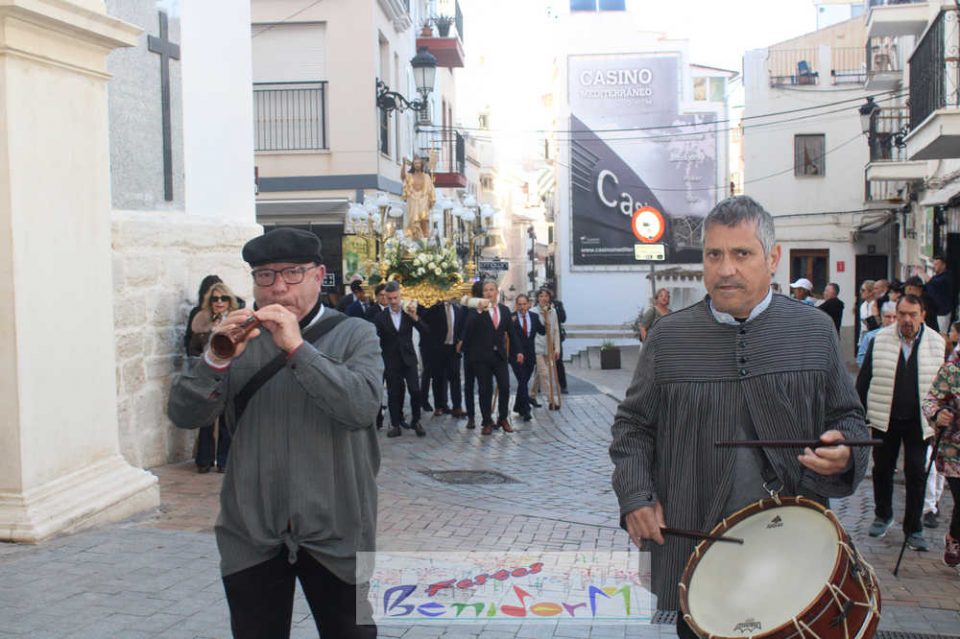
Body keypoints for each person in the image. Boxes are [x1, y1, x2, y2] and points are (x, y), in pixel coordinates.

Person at [610, 196, 867, 637]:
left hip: (794, 557)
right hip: (697, 554)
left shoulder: (814, 331)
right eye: (714, 254)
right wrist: (636, 497)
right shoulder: (669, 338)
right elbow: (632, 428)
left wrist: (844, 452)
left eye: (742, 253)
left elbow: (849, 419)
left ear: (773, 258)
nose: (725, 268)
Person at [167, 227, 382, 639]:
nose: (278, 287)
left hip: (337, 531)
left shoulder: (357, 334)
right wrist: (215, 359)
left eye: (292, 273)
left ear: (318, 276)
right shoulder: (238, 337)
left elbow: (361, 407)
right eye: (265, 275)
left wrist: (298, 348)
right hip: (252, 532)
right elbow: (183, 414)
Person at [856, 294, 944, 552]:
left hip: (920, 420)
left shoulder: (937, 343)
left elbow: (943, 385)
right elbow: (864, 379)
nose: (906, 319)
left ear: (922, 315)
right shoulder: (880, 339)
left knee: (916, 472)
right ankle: (883, 515)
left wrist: (941, 414)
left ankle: (914, 528)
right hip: (885, 417)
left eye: (912, 314)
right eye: (902, 314)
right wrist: (858, 414)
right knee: (882, 469)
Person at [186, 281, 240, 473]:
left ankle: (224, 461)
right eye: (215, 299)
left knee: (226, 420)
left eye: (223, 298)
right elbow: (192, 348)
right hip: (208, 374)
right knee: (206, 419)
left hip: (229, 373)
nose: (219, 302)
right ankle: (204, 460)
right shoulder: (202, 320)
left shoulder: (237, 321)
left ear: (229, 301)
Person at [461, 280, 522, 435]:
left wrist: (519, 351)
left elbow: (512, 333)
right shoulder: (476, 311)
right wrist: (478, 311)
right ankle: (487, 421)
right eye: (486, 290)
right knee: (484, 390)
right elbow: (468, 329)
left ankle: (503, 418)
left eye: (491, 289)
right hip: (482, 357)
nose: (489, 293)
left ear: (497, 292)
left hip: (499, 356)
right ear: (482, 293)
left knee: (505, 387)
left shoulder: (504, 310)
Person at [921, 337, 960, 568]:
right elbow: (930, 401)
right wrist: (938, 414)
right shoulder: (951, 370)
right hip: (954, 451)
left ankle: (955, 535)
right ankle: (955, 538)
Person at [374, 281, 428, 438]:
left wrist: (415, 317)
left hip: (409, 359)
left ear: (400, 296)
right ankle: (396, 424)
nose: (392, 301)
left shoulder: (408, 312)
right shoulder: (380, 317)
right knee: (393, 393)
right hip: (391, 360)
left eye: (395, 298)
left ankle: (416, 421)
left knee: (415, 391)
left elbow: (425, 330)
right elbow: (376, 338)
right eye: (389, 298)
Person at [422, 296, 467, 418]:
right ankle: (439, 406)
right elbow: (425, 322)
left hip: (453, 349)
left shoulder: (458, 309)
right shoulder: (435, 308)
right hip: (438, 349)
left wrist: (460, 340)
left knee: (455, 378)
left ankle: (457, 407)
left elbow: (462, 327)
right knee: (438, 378)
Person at [510, 294, 543, 422]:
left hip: (530, 355)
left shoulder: (534, 317)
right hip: (516, 355)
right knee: (522, 380)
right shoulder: (512, 317)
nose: (522, 307)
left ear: (528, 304)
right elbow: (508, 335)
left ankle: (518, 406)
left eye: (524, 304)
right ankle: (526, 410)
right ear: (516, 305)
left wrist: (546, 322)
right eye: (520, 304)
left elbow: (542, 331)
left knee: (523, 382)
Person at [458, 281, 485, 430]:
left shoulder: (483, 306)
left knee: (478, 386)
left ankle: (476, 417)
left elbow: (459, 325)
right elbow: (461, 325)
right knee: (475, 385)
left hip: (475, 350)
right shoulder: (469, 307)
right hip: (473, 350)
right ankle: (475, 417)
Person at [530, 287, 562, 411]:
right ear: (538, 298)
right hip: (537, 346)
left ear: (549, 298)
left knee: (540, 373)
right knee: (544, 373)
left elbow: (556, 330)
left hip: (549, 347)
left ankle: (532, 395)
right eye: (541, 296)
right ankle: (551, 400)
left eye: (546, 296)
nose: (544, 298)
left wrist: (557, 348)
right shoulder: (533, 312)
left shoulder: (552, 311)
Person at [401, 156, 436, 240]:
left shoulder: (426, 176)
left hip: (423, 198)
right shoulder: (410, 176)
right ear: (413, 165)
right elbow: (403, 177)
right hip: (412, 199)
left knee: (424, 219)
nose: (417, 165)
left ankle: (425, 238)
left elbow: (431, 188)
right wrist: (404, 164)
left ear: (421, 165)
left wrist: (431, 199)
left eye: (419, 163)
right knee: (412, 220)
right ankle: (414, 238)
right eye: (415, 163)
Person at [857, 301, 897, 367]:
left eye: (895, 317)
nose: (891, 320)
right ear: (881, 317)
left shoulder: (903, 337)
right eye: (888, 317)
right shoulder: (870, 337)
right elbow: (861, 360)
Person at [926, 255, 953, 333]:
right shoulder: (936, 276)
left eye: (937, 264)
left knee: (942, 333)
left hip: (942, 311)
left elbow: (933, 283)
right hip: (933, 310)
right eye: (934, 264)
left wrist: (923, 274)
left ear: (943, 265)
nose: (934, 266)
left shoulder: (946, 277)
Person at [858, 280, 878, 344]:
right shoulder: (863, 306)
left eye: (863, 290)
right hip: (864, 337)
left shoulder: (876, 304)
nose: (860, 292)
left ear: (871, 292)